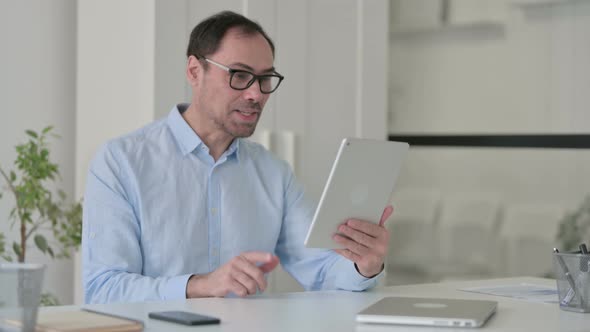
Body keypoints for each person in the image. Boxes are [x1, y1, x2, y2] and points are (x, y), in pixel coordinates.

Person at [82, 10, 392, 304]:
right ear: (194, 71)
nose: (255, 94)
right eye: (240, 75)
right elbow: (103, 289)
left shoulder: (274, 174)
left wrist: (363, 266)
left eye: (265, 79)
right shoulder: (121, 162)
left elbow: (323, 271)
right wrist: (200, 285)